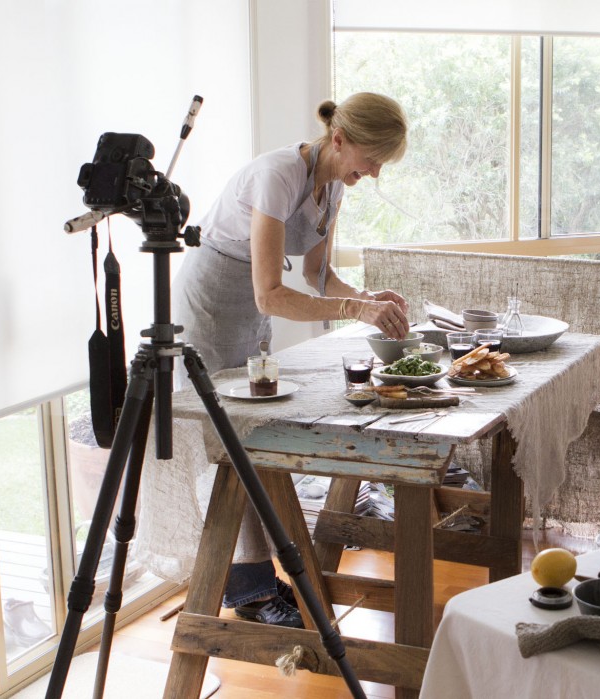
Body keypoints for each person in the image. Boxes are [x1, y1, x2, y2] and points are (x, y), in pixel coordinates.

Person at [171, 92, 410, 627]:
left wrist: (369, 301)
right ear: (340, 138)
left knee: (251, 435)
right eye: (370, 159)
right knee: (226, 442)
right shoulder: (278, 173)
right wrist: (354, 309)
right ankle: (248, 590)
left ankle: (258, 577)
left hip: (254, 304)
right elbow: (271, 293)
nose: (371, 173)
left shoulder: (331, 190)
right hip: (211, 304)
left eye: (380, 165)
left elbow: (317, 276)